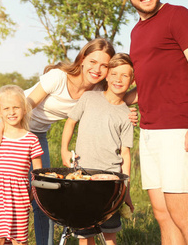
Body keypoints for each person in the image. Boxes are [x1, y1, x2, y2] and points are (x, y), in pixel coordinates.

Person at [0, 38, 135, 245]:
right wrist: (0, 127)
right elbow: (27, 104)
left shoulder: (96, 91)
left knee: (43, 193)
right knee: (4, 188)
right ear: (82, 59)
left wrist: (129, 113)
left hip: (37, 135)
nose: (97, 69)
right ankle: (0, 236)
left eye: (104, 65)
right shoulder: (58, 78)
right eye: (92, 62)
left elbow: (119, 98)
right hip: (11, 123)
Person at [120, 0, 188, 245]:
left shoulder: (178, 16)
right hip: (148, 133)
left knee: (183, 215)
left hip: (177, 131)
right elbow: (148, 83)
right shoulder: (136, 32)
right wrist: (123, 100)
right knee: (163, 215)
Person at [61, 53, 135, 245]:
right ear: (107, 76)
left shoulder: (126, 115)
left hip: (110, 182)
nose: (118, 79)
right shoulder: (89, 98)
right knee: (85, 235)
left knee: (109, 235)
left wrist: (125, 189)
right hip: (82, 176)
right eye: (115, 74)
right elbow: (70, 123)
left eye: (125, 76)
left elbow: (125, 154)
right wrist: (64, 149)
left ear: (132, 80)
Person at [0, 85, 44, 245]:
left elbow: (38, 171)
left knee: (18, 239)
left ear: (25, 109)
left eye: (16, 107)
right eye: (6, 108)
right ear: (0, 112)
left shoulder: (31, 139)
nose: (11, 112)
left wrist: (33, 192)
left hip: (19, 196)